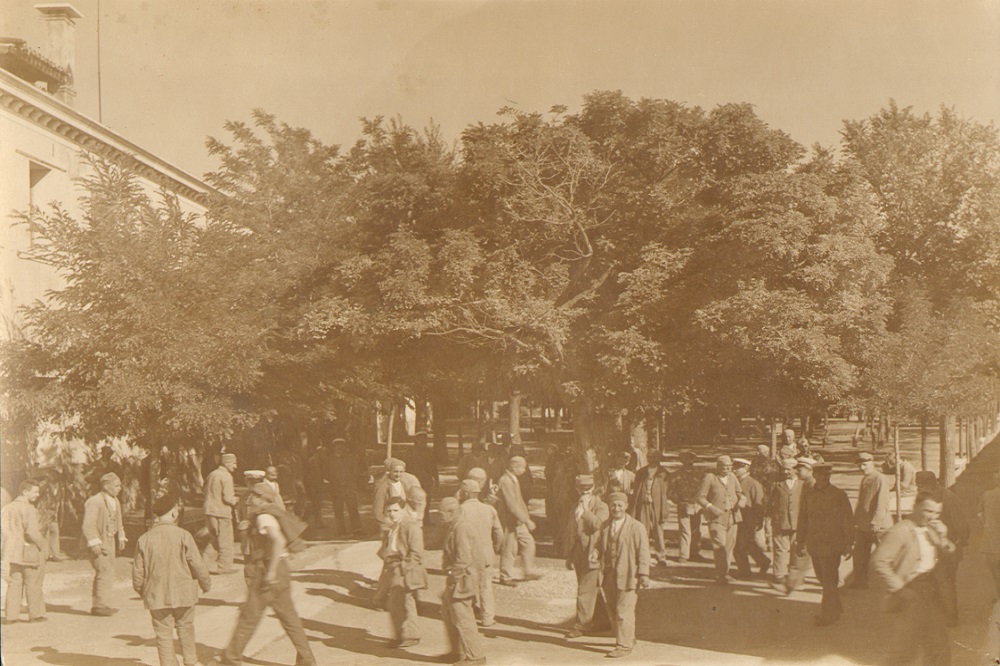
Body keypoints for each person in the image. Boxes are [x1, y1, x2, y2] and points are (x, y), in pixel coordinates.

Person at [212, 483, 316, 666]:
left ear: (261, 498)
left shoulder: (264, 517)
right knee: (289, 618)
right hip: (281, 570)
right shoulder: (271, 513)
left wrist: (271, 572)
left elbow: (277, 541)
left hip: (268, 569)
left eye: (252, 495)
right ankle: (307, 660)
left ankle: (231, 659)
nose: (249, 498)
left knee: (248, 617)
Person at [872, 494, 954, 665]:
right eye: (928, 511)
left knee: (939, 645)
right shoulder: (901, 530)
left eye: (937, 513)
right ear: (915, 507)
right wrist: (901, 590)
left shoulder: (933, 529)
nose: (932, 517)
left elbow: (950, 556)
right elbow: (879, 562)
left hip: (932, 591)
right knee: (905, 649)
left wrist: (943, 538)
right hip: (912, 593)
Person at [132, 491, 212, 666]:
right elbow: (197, 564)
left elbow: (138, 573)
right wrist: (206, 583)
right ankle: (191, 662)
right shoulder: (184, 536)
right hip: (184, 594)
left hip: (157, 596)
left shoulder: (144, 539)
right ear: (174, 513)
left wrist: (144, 591)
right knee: (186, 628)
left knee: (163, 634)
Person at [796, 463, 853, 626]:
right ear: (814, 475)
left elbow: (848, 520)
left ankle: (827, 615)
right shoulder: (809, 495)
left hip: (832, 544)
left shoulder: (839, 495)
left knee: (828, 580)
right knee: (824, 578)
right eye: (821, 475)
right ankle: (836, 608)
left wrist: (849, 543)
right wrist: (800, 541)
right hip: (815, 544)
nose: (824, 478)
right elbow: (803, 518)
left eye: (827, 475)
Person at [598, 491, 650, 659]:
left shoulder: (637, 527)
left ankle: (623, 645)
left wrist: (644, 574)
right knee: (613, 609)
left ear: (626, 506)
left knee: (623, 611)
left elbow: (643, 552)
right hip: (609, 574)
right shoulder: (605, 526)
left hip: (629, 574)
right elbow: (600, 548)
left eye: (620, 505)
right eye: (613, 505)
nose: (616, 508)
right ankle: (629, 638)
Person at [915, 471, 968, 626]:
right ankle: (941, 615)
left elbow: (962, 527)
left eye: (922, 486)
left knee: (946, 583)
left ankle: (951, 617)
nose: (919, 490)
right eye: (918, 486)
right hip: (934, 549)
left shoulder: (949, 499)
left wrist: (954, 543)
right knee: (937, 582)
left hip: (948, 549)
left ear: (933, 484)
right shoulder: (928, 496)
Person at [374, 496, 428, 650]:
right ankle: (403, 635)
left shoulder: (411, 527)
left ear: (404, 510)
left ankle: (409, 635)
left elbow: (416, 554)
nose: (392, 514)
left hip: (404, 569)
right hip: (392, 567)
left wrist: (401, 569)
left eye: (395, 510)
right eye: (389, 511)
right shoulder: (394, 526)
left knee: (402, 602)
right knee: (398, 603)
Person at [440, 497, 486, 666]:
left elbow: (464, 559)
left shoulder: (462, 529)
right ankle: (457, 652)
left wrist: (452, 574)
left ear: (452, 512)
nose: (440, 517)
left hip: (462, 581)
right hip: (458, 580)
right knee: (448, 614)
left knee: (463, 618)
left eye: (441, 513)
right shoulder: (455, 526)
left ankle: (476, 657)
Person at [564, 474, 609, 639]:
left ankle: (581, 625)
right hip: (578, 553)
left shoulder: (601, 506)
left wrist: (586, 511)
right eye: (582, 488)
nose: (585, 491)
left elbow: (598, 524)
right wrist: (569, 555)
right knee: (590, 588)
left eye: (588, 487)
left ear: (593, 487)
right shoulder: (574, 507)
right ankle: (603, 620)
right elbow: (571, 532)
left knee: (584, 590)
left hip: (593, 553)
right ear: (577, 488)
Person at [458, 478, 502, 628]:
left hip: (468, 554)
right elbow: (499, 533)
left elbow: (457, 534)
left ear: (465, 493)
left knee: (466, 584)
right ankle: (488, 617)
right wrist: (494, 547)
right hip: (485, 553)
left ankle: (467, 615)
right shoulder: (489, 509)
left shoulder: (462, 510)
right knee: (485, 585)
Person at [1, 479, 47, 624]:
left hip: (12, 552)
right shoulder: (29, 508)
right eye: (35, 491)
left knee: (14, 583)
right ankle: (35, 614)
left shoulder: (7, 508)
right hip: (28, 552)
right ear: (25, 492)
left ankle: (11, 616)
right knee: (33, 582)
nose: (37, 495)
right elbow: (32, 532)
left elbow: (4, 530)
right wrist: (42, 545)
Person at [82, 472, 127, 616]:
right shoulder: (95, 501)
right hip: (99, 542)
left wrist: (121, 536)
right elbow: (88, 524)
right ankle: (100, 606)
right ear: (106, 486)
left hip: (110, 541)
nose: (119, 488)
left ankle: (101, 604)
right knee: (103, 571)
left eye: (120, 485)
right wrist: (94, 542)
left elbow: (119, 521)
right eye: (116, 486)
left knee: (108, 572)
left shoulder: (115, 501)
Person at [697, 455, 744, 583]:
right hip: (717, 518)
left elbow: (740, 493)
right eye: (724, 467)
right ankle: (721, 574)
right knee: (720, 545)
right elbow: (700, 498)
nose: (727, 469)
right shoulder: (710, 478)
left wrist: (741, 501)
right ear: (718, 467)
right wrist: (711, 507)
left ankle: (725, 573)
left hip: (733, 517)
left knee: (729, 546)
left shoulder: (732, 477)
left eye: (730, 466)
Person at [496, 456, 540, 586]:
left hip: (517, 521)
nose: (525, 470)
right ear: (514, 467)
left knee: (528, 542)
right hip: (510, 521)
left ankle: (528, 571)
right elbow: (512, 505)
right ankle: (505, 576)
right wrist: (526, 520)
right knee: (509, 548)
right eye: (523, 467)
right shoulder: (506, 481)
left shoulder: (512, 479)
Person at [852, 451, 893, 589]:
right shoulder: (865, 478)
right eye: (859, 466)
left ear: (872, 463)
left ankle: (894, 584)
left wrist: (876, 521)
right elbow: (861, 502)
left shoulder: (880, 478)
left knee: (885, 555)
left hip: (878, 526)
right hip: (864, 525)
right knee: (859, 555)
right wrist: (855, 521)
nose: (862, 468)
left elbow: (882, 502)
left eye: (864, 465)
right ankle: (860, 582)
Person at [628, 449, 671, 565]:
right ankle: (643, 556)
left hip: (657, 506)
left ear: (658, 458)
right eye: (650, 457)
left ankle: (661, 556)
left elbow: (668, 491)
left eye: (654, 457)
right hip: (643, 505)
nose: (651, 459)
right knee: (643, 530)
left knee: (658, 531)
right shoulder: (641, 472)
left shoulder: (664, 473)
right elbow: (636, 490)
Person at [767, 457, 802, 591]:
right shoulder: (776, 484)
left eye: (789, 469)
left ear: (795, 469)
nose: (786, 472)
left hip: (797, 523)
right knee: (780, 549)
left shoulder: (802, 484)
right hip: (780, 521)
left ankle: (794, 574)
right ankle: (779, 574)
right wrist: (770, 517)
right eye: (784, 469)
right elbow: (770, 501)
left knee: (796, 549)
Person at [733, 458, 770, 578]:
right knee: (747, 544)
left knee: (739, 546)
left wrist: (759, 520)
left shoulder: (753, 483)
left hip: (748, 519)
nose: (734, 470)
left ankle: (745, 573)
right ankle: (763, 561)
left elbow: (759, 503)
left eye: (737, 467)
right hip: (737, 518)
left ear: (746, 468)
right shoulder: (735, 481)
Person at [203, 453, 239, 575]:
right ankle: (224, 568)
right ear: (227, 463)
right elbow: (228, 498)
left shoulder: (212, 474)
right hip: (222, 513)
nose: (236, 466)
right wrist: (236, 500)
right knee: (226, 540)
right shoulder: (227, 477)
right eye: (234, 463)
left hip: (209, 512)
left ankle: (201, 567)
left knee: (214, 540)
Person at [671, 451, 706, 563]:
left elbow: (704, 489)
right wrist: (679, 501)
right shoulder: (676, 475)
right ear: (681, 461)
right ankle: (683, 555)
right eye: (685, 459)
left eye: (690, 459)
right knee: (685, 530)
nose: (688, 462)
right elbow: (670, 492)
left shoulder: (700, 474)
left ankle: (695, 552)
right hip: (683, 505)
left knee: (697, 530)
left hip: (697, 505)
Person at [373, 458, 424, 532]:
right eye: (395, 472)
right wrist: (385, 524)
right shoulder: (383, 487)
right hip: (390, 524)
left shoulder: (404, 483)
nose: (398, 474)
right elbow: (377, 509)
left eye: (401, 472)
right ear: (389, 472)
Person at [328, 438, 364, 536]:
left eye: (341, 445)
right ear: (333, 447)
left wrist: (352, 483)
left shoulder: (350, 458)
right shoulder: (330, 459)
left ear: (345, 447)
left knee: (352, 508)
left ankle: (357, 529)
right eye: (336, 445)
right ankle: (341, 531)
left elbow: (355, 472)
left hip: (349, 487)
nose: (339, 448)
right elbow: (327, 473)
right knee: (338, 510)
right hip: (336, 488)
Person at [408, 432, 439, 521]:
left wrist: (436, 479)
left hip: (426, 480)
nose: (423, 441)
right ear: (416, 440)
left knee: (427, 499)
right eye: (420, 439)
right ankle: (414, 518)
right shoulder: (410, 452)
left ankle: (426, 518)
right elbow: (407, 467)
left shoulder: (429, 452)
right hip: (414, 480)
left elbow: (434, 466)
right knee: (414, 499)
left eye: (425, 439)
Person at [978, 469, 1000, 599]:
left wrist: (986, 524)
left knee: (995, 570)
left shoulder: (986, 495)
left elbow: (979, 514)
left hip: (991, 540)